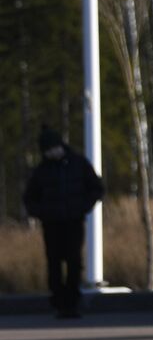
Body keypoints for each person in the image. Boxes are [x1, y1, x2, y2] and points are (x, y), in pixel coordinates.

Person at [23, 128, 103, 319]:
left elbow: (96, 188)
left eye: (54, 148)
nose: (52, 153)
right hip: (51, 224)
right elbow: (29, 198)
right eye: (48, 150)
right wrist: (42, 213)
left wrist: (83, 207)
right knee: (54, 262)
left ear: (60, 146)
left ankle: (72, 301)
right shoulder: (42, 171)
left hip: (74, 221)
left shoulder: (78, 164)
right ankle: (59, 301)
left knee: (74, 261)